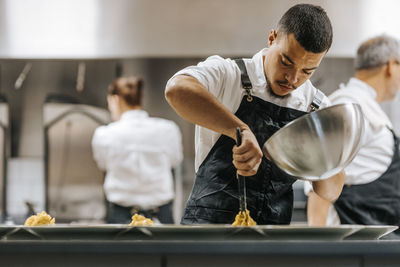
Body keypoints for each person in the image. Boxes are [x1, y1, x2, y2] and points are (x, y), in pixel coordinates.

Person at [165, 4, 345, 225]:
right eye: (286, 62)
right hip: (207, 234)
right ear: (272, 38)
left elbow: (331, 191)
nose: (293, 78)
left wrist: (317, 158)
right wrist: (239, 129)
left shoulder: (317, 108)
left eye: (307, 71)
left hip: (272, 241)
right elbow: (177, 89)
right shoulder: (229, 75)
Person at [306, 34, 400, 228]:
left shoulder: (364, 106)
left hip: (374, 239)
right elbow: (321, 179)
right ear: (391, 66)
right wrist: (318, 249)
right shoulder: (348, 106)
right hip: (352, 242)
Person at [92, 76, 183, 224]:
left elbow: (103, 165)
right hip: (161, 216)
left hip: (120, 217)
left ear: (115, 100)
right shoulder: (168, 129)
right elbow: (174, 161)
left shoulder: (104, 134)